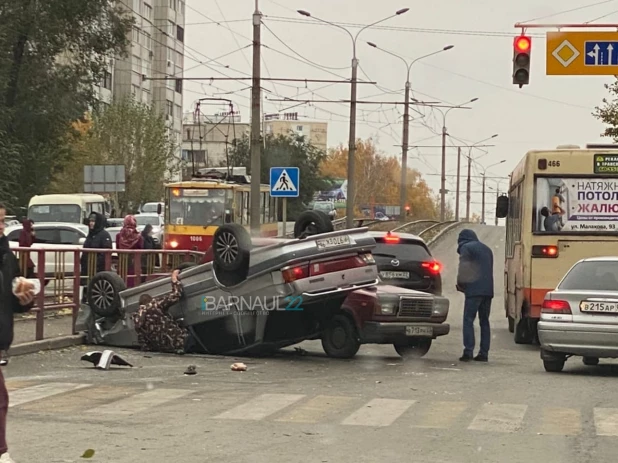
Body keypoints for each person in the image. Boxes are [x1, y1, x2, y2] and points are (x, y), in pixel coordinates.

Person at [0, 203, 35, 463]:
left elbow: (10, 291)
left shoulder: (4, 252)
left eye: (2, 221)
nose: (2, 228)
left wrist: (23, 298)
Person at [456, 229, 494, 362]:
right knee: (484, 321)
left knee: (468, 320)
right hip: (488, 291)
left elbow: (464, 267)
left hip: (473, 291)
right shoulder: (487, 249)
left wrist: (460, 283)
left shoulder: (466, 247)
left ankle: (468, 351)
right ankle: (484, 353)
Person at [131, 269, 189, 354]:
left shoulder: (137, 318)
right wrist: (174, 278)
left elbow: (144, 345)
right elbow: (176, 295)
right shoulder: (155, 305)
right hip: (179, 342)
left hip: (163, 348)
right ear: (152, 300)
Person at [80, 212, 113, 302]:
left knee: (97, 293)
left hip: (99, 271)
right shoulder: (90, 235)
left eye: (93, 221)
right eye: (90, 221)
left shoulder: (104, 235)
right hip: (87, 270)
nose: (91, 223)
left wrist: (96, 264)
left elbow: (106, 252)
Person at [116, 215, 143, 288]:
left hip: (122, 262)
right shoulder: (139, 236)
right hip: (134, 263)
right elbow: (140, 250)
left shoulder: (119, 235)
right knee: (133, 282)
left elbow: (118, 249)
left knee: (122, 280)